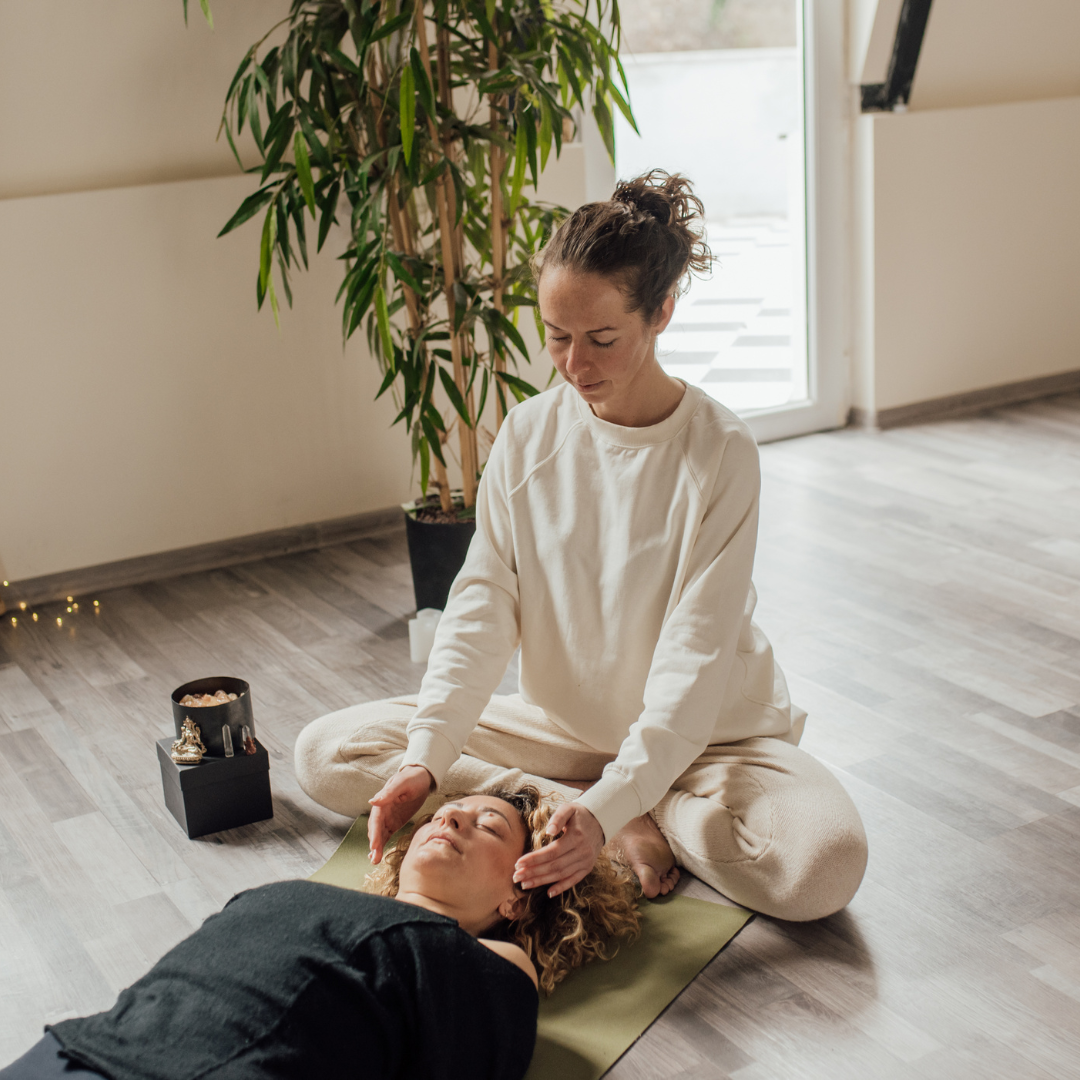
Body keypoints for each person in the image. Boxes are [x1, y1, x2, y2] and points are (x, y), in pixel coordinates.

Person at [295, 170, 868, 922]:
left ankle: (624, 809)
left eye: (602, 339)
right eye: (557, 337)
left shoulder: (720, 452)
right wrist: (427, 758)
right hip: (561, 733)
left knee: (821, 867)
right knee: (330, 752)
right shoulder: (530, 433)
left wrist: (620, 794)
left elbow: (695, 657)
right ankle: (582, 807)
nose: (574, 365)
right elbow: (482, 604)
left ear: (661, 312)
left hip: (710, 740)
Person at [0, 787, 639, 1080]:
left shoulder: (491, 957)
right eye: (448, 811)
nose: (451, 818)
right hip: (79, 1048)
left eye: (489, 827)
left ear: (518, 899)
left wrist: (618, 819)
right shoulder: (297, 894)